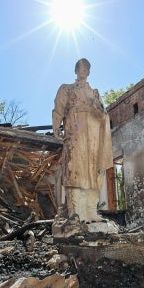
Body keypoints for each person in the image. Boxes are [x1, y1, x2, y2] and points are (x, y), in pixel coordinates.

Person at [52, 58, 113, 222]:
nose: (84, 70)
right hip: (76, 132)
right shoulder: (67, 88)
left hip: (93, 135)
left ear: (89, 72)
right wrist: (56, 126)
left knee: (93, 171)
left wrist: (97, 107)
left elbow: (103, 116)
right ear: (76, 70)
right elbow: (59, 108)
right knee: (75, 169)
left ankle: (91, 210)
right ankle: (74, 211)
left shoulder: (95, 93)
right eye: (81, 67)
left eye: (87, 68)